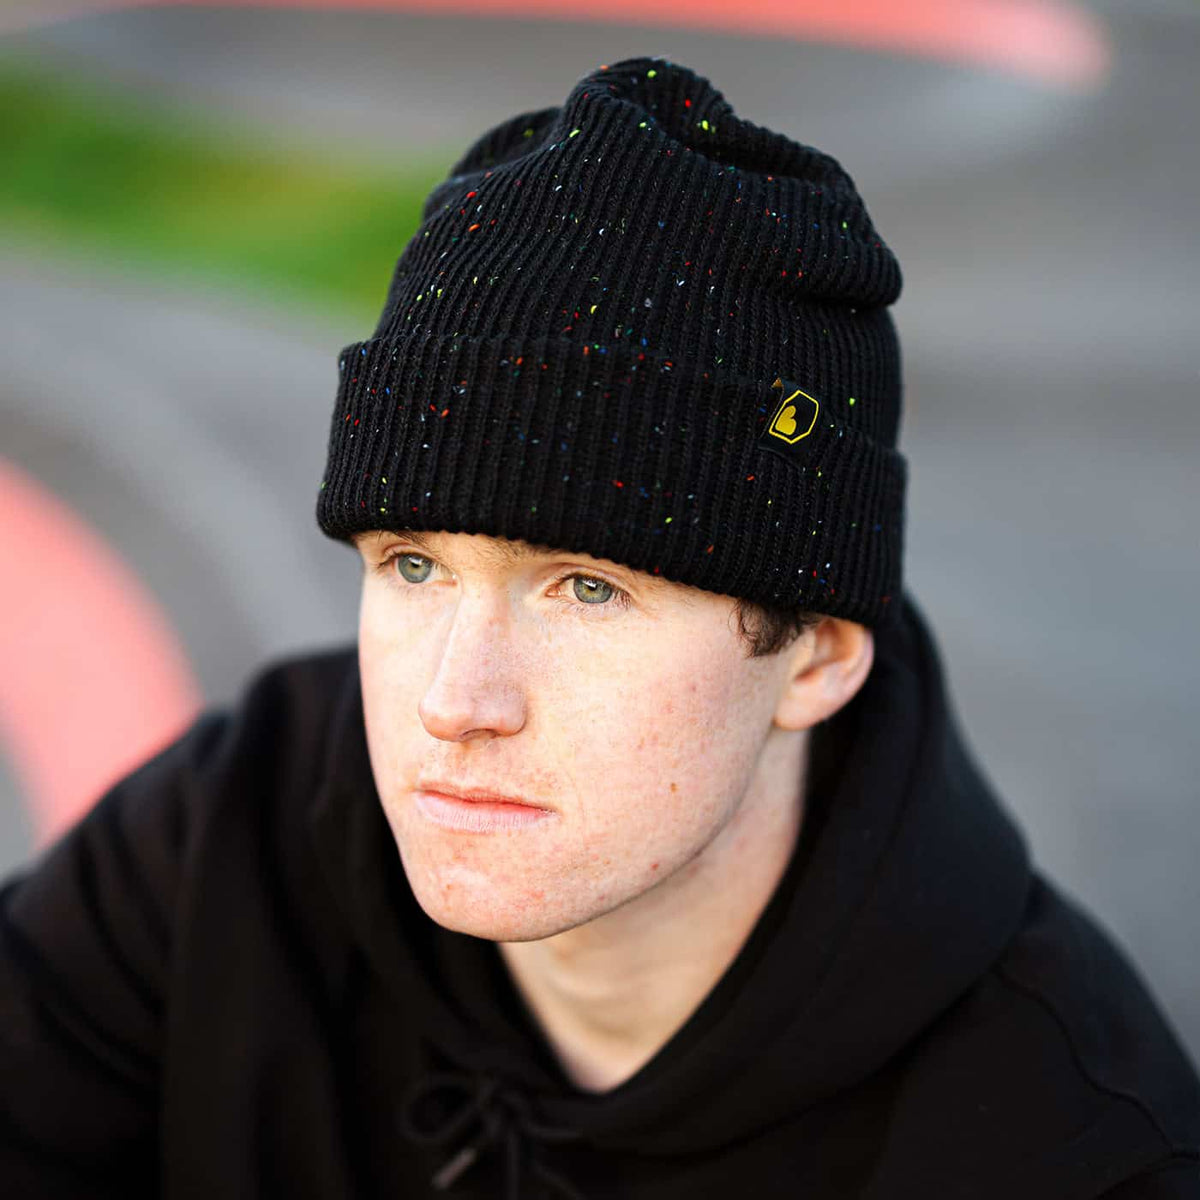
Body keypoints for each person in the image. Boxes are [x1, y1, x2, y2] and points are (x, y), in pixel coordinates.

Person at [1, 55, 1197, 1199]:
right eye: (414, 564)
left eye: (587, 588)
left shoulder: (1059, 1146)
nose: (455, 703)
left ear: (816, 657)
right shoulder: (223, 842)